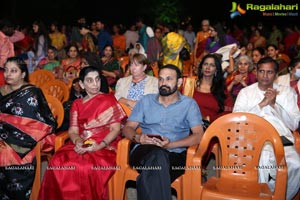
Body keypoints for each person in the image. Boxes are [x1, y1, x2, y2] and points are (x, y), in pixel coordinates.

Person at [38, 66, 126, 200]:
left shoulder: (109, 100)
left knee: (85, 167)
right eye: (90, 81)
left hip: (105, 144)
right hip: (81, 141)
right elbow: (73, 130)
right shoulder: (77, 104)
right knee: (57, 162)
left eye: (97, 79)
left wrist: (99, 145)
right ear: (81, 84)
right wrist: (78, 142)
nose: (95, 84)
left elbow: (115, 129)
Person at [122, 64, 204, 199]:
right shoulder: (146, 101)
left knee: (155, 168)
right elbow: (127, 128)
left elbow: (198, 135)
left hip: (175, 155)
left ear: (178, 82)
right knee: (157, 155)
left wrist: (170, 145)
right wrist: (138, 138)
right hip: (144, 150)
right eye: (160, 79)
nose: (163, 83)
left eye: (168, 79)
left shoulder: (189, 104)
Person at [233, 57, 300, 200]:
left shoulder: (288, 92)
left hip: (282, 140)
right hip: (252, 140)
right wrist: (262, 104)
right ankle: (263, 196)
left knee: (296, 165)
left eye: (269, 72)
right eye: (261, 71)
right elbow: (237, 121)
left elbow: (294, 124)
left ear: (276, 75)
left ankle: (279, 197)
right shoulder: (246, 93)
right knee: (264, 163)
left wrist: (275, 105)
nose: (265, 76)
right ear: (256, 73)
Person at [0, 57, 56, 199]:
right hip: (5, 132)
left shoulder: (31, 93)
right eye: (6, 70)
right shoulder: (2, 90)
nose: (8, 74)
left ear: (23, 74)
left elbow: (37, 125)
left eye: (13, 71)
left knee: (5, 152)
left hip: (27, 138)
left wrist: (6, 133)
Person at [182, 53, 233, 122]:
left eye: (212, 65)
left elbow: (228, 112)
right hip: (186, 126)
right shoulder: (188, 84)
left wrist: (208, 119)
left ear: (216, 70)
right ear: (201, 67)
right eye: (205, 64)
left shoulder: (221, 89)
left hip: (211, 127)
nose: (208, 67)